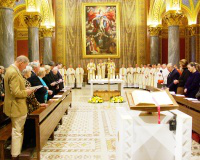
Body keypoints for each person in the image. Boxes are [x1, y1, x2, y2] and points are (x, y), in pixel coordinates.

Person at [3, 55, 33, 159]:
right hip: (16, 106)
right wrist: (27, 92)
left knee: (18, 131)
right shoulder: (13, 72)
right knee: (17, 132)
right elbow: (15, 92)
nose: (25, 68)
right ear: (21, 62)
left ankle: (16, 153)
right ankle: (15, 155)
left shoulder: (11, 70)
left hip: (15, 106)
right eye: (25, 65)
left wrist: (24, 88)